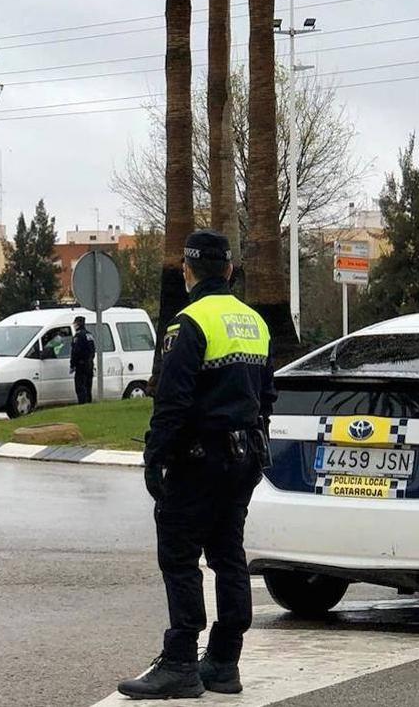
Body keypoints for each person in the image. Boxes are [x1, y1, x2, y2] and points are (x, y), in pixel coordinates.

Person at [117, 230, 276, 700]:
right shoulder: (256, 323)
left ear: (188, 272)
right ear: (228, 271)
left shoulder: (188, 323)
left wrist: (154, 457)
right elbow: (267, 397)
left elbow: (172, 401)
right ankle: (225, 662)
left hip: (198, 461)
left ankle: (182, 662)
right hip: (244, 458)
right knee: (229, 557)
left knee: (181, 558)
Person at [69, 315, 95, 404]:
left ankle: (83, 404)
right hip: (90, 364)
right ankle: (89, 403)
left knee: (80, 387)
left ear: (78, 324)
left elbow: (75, 352)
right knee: (88, 386)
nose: (74, 325)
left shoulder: (78, 336)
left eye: (75, 323)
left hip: (81, 365)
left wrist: (72, 365)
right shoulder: (89, 334)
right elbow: (93, 350)